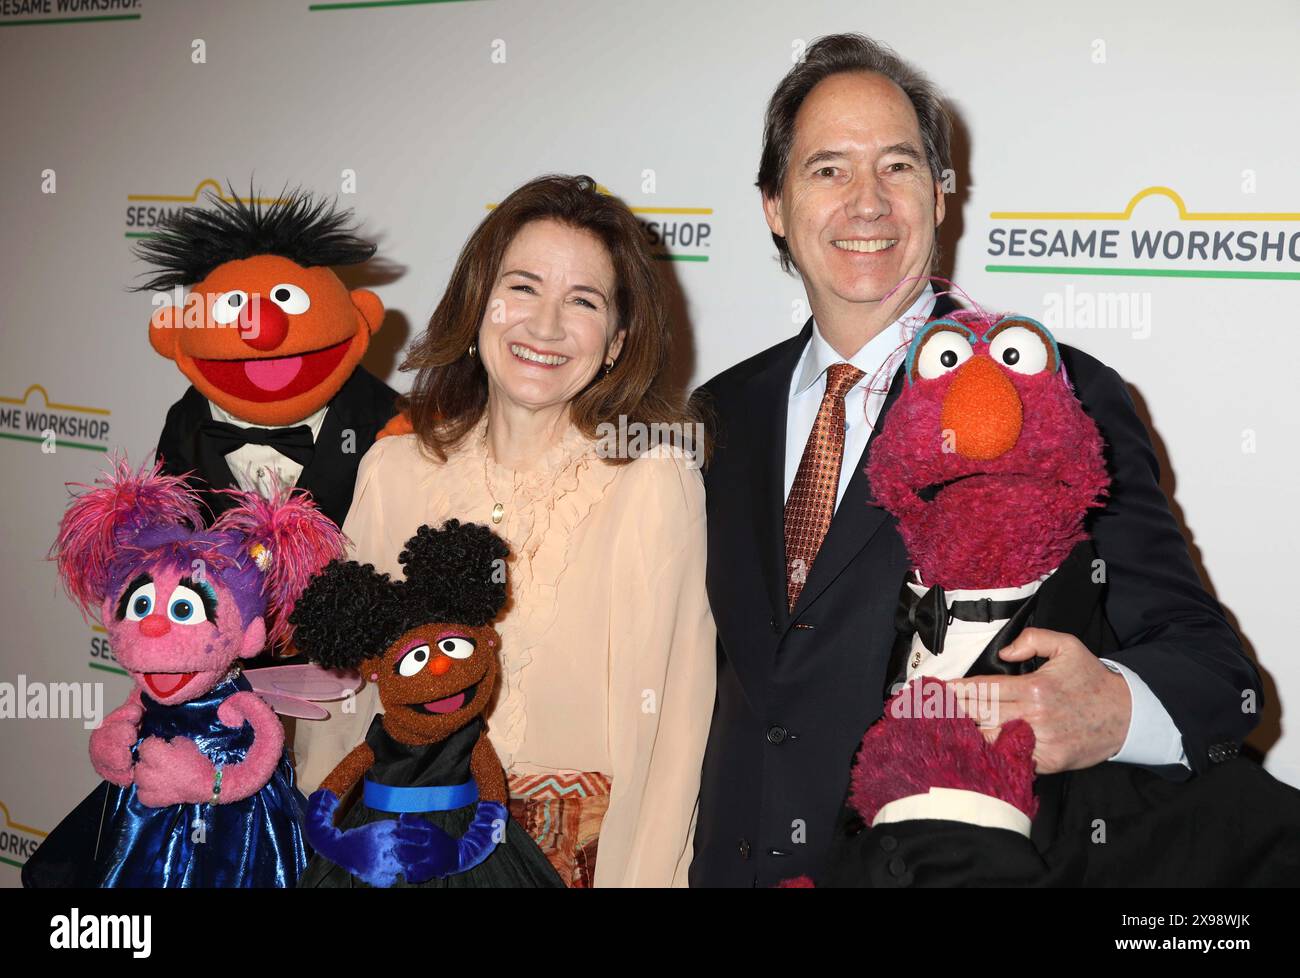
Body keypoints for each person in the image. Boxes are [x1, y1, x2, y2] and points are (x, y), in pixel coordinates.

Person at [688, 33, 1263, 887]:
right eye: (827, 170)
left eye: (899, 166)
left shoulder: (1055, 393)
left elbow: (1213, 669)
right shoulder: (718, 413)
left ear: (940, 195)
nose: (869, 203)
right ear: (773, 204)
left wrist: (1114, 708)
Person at [292, 173, 716, 887]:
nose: (545, 326)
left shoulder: (654, 482)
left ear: (616, 341)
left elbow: (671, 737)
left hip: (566, 865)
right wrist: (328, 850)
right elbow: (343, 705)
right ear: (479, 301)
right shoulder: (394, 469)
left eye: (581, 301)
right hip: (397, 851)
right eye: (523, 287)